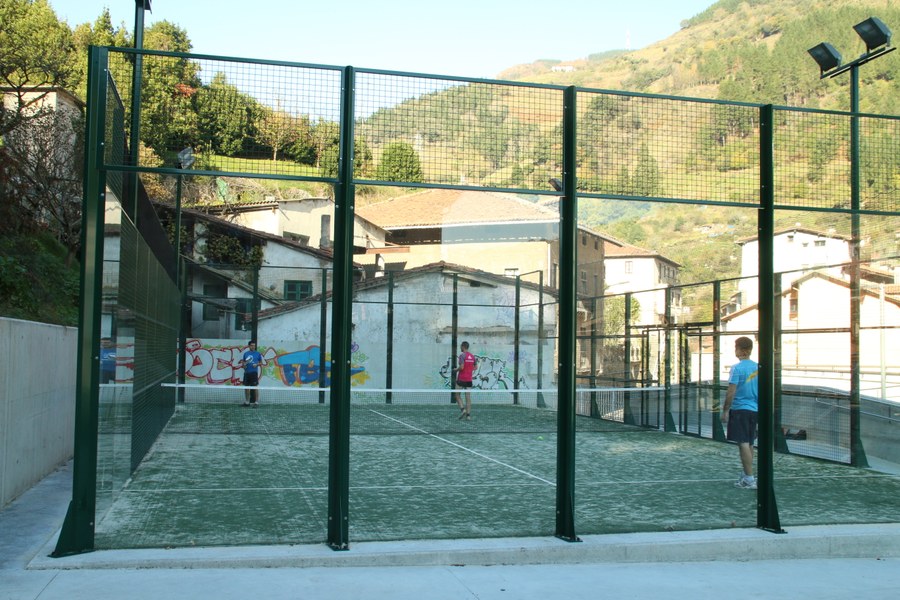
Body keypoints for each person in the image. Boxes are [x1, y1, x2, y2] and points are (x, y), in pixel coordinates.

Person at [721, 336, 759, 489]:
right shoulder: (757, 367)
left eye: (735, 347)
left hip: (740, 410)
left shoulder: (737, 368)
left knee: (743, 443)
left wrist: (725, 410)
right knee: (749, 442)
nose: (734, 350)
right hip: (754, 410)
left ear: (741, 350)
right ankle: (747, 474)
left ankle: (749, 479)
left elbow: (731, 391)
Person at [453, 341, 477, 420]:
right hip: (469, 380)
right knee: (468, 397)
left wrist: (456, 370)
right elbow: (475, 367)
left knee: (456, 395)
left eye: (461, 346)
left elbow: (462, 367)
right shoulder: (472, 356)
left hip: (461, 379)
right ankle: (468, 415)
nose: (460, 347)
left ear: (463, 347)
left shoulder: (462, 355)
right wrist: (469, 370)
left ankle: (463, 410)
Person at [239, 340, 263, 407]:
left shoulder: (258, 354)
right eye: (252, 345)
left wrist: (257, 364)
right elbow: (244, 363)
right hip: (246, 373)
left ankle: (256, 402)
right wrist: (244, 366)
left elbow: (261, 362)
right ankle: (247, 402)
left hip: (254, 373)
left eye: (254, 345)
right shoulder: (246, 354)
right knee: (246, 388)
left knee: (255, 387)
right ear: (249, 346)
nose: (253, 347)